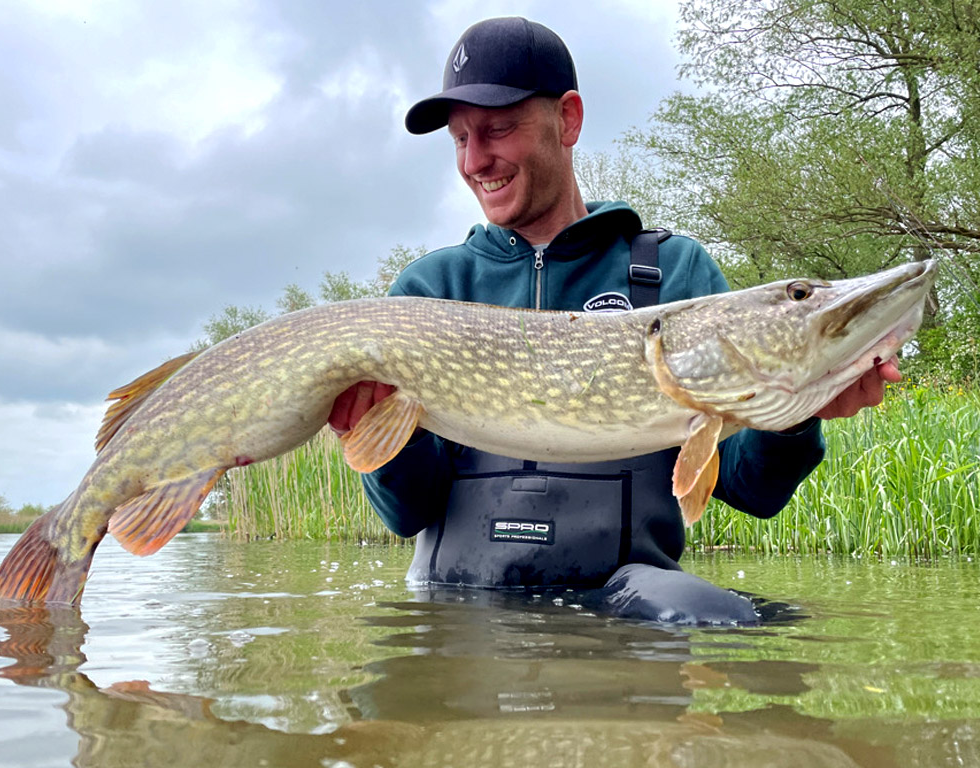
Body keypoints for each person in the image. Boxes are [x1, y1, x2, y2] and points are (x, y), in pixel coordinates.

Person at [328, 17, 901, 624]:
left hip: (630, 607)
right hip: (460, 611)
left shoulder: (673, 274)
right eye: (460, 139)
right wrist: (376, 436)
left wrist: (792, 415)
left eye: (497, 129)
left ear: (568, 119)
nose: (476, 160)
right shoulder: (429, 293)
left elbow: (753, 491)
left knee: (748, 624)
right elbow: (406, 512)